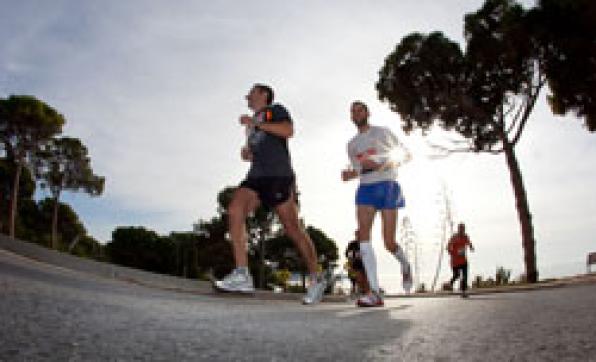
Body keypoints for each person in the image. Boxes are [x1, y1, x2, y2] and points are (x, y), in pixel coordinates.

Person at [214, 84, 327, 305]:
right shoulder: (252, 126)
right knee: (235, 210)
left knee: (293, 230)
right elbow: (254, 152)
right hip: (256, 177)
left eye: (251, 92)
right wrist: (247, 152)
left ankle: (317, 278)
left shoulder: (274, 110)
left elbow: (288, 131)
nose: (246, 95)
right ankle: (242, 273)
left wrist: (255, 122)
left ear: (263, 94)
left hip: (278, 175)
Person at [341, 101, 412, 307]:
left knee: (389, 243)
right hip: (366, 189)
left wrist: (380, 164)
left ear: (367, 113)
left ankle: (405, 265)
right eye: (352, 111)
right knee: (363, 236)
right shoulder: (351, 145)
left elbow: (405, 156)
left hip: (387, 186)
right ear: (351, 117)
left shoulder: (383, 133)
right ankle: (374, 292)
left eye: (359, 109)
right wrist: (350, 174)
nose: (356, 113)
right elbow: (360, 170)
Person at [447, 223, 474, 298]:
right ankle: (450, 283)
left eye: (463, 229)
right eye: (461, 229)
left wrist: (471, 247)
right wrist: (454, 253)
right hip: (455, 261)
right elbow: (448, 247)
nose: (462, 230)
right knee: (457, 275)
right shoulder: (454, 237)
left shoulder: (465, 237)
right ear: (458, 229)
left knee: (465, 276)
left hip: (463, 261)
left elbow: (469, 243)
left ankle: (463, 292)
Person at [345, 230, 369, 296]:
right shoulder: (352, 244)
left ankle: (366, 293)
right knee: (358, 279)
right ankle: (362, 291)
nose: (358, 236)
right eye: (357, 235)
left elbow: (368, 254)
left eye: (360, 234)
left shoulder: (366, 243)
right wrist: (356, 254)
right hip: (356, 264)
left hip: (365, 264)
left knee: (366, 279)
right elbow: (347, 254)